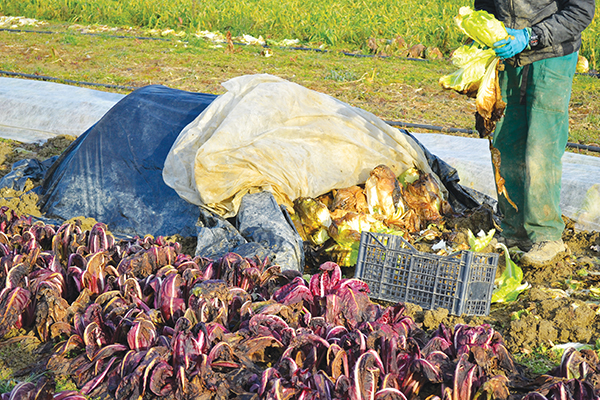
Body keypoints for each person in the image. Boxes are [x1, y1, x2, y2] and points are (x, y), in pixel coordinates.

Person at [473, 0, 595, 266]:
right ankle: (514, 231)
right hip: (508, 56)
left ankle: (546, 234)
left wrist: (532, 36)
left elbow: (581, 11)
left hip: (551, 56)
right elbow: (484, 5)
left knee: (541, 145)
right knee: (505, 142)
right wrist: (481, 36)